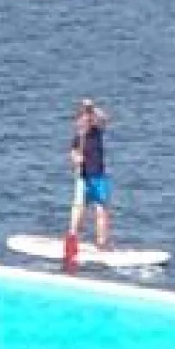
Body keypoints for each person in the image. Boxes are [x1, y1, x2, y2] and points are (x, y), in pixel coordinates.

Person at [67, 98, 112, 255]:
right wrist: (76, 159)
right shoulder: (77, 139)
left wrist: (91, 107)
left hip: (99, 176)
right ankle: (72, 238)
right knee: (79, 210)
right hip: (83, 178)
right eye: (82, 120)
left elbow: (105, 118)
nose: (84, 123)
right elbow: (72, 154)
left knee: (101, 210)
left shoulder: (97, 131)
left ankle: (102, 244)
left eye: (87, 119)